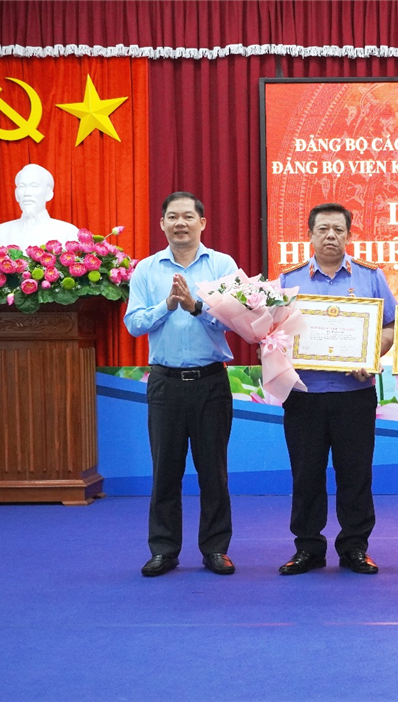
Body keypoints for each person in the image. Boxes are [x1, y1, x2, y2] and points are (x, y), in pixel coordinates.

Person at [277, 203, 396, 576]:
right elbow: (272, 331)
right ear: (309, 235)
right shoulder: (287, 281)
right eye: (323, 229)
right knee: (306, 475)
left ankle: (354, 547)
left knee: (355, 474)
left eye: (338, 230)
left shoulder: (370, 277)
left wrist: (371, 354)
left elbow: (390, 327)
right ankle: (308, 548)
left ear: (349, 234)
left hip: (354, 393)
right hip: (304, 394)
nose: (331, 236)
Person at [124, 192, 238, 577]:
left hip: (210, 382)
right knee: (165, 472)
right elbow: (134, 323)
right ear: (162, 224)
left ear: (202, 222)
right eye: (172, 217)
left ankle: (216, 549)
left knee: (213, 472)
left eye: (188, 216)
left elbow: (236, 319)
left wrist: (196, 307)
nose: (180, 223)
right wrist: (167, 306)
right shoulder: (146, 269)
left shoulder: (222, 265)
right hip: (166, 384)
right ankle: (164, 550)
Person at [0, 164, 79, 249]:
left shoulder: (69, 233)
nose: (27, 193)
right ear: (16, 194)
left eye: (34, 186)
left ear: (48, 193)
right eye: (22, 186)